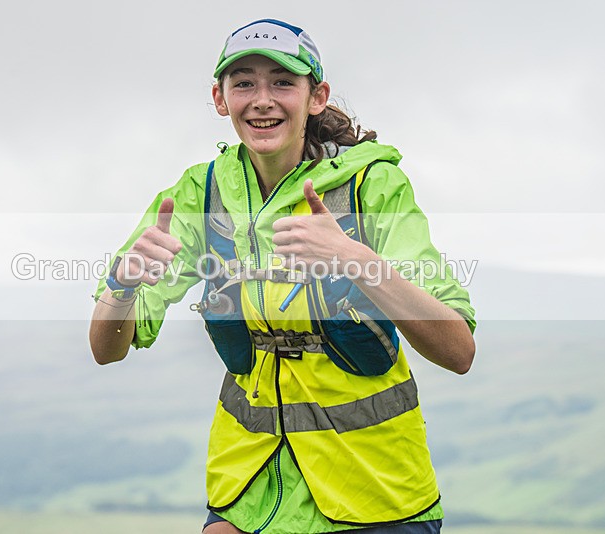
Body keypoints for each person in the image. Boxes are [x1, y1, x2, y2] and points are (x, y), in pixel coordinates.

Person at [90, 18, 476, 534]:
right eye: (244, 81)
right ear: (220, 98)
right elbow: (106, 348)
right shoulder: (199, 194)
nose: (262, 99)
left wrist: (354, 258)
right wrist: (124, 285)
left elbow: (458, 351)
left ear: (316, 97)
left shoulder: (373, 186)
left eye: (283, 82)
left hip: (374, 493)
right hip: (247, 489)